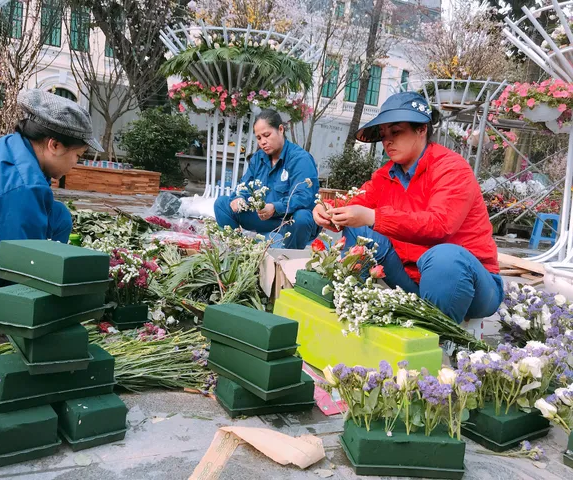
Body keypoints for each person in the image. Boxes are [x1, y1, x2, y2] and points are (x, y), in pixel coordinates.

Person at [313, 92, 503, 323]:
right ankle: (347, 310)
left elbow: (440, 226)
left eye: (396, 131)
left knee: (444, 258)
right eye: (383, 135)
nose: (388, 141)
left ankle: (437, 339)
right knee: (360, 231)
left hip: (469, 284)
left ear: (422, 129)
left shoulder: (451, 168)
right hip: (412, 278)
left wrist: (373, 217)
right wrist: (327, 210)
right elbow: (355, 205)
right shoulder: (386, 175)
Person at [0, 89, 103, 296]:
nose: (76, 163)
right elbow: (24, 260)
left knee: (56, 215)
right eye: (78, 155)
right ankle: (17, 302)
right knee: (36, 250)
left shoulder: (11, 147)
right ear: (55, 145)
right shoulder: (23, 185)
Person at [214, 109, 319, 249]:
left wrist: (275, 208)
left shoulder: (300, 159)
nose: (263, 142)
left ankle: (286, 260)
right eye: (258, 138)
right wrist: (239, 198)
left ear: (280, 129)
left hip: (288, 220)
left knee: (302, 218)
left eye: (267, 135)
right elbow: (244, 186)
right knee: (222, 204)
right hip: (264, 217)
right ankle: (238, 252)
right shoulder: (258, 158)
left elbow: (304, 197)